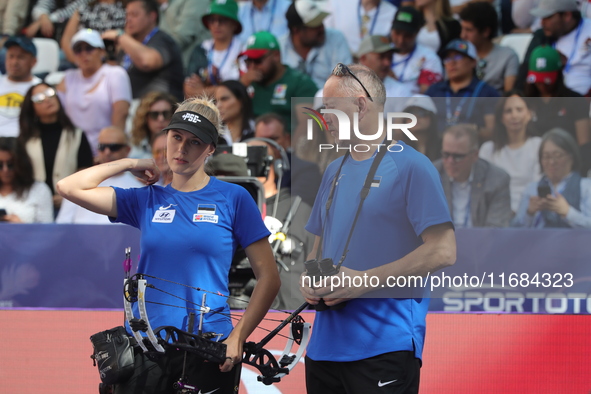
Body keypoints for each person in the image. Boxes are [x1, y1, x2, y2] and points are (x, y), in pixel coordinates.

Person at [56, 96, 280, 393]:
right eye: (176, 137)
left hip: (209, 348)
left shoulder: (234, 198)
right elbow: (68, 187)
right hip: (145, 347)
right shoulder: (147, 199)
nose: (182, 148)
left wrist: (237, 337)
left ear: (210, 148)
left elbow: (269, 277)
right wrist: (130, 162)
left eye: (195, 142)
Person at [301, 63, 455, 394]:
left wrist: (362, 281)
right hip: (323, 348)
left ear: (360, 104)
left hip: (384, 346)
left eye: (329, 107)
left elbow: (444, 250)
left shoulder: (411, 165)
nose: (322, 115)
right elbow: (316, 250)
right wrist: (310, 280)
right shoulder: (333, 169)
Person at [246, 137, 313, 310]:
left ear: (276, 166)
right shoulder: (227, 207)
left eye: (255, 157)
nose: (248, 165)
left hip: (289, 313)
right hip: (236, 308)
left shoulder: (300, 209)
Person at [18, 83, 94, 212]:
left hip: (70, 204)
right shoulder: (25, 139)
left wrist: (68, 196)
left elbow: (84, 172)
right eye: (39, 99)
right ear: (31, 108)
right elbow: (20, 174)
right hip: (32, 205)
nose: (47, 100)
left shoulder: (77, 134)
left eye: (50, 94)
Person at [57, 28, 132, 157]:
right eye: (78, 50)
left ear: (101, 52)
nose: (83, 54)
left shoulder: (115, 74)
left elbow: (121, 113)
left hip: (105, 150)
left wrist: (109, 149)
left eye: (89, 48)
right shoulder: (68, 78)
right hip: (74, 151)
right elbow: (58, 115)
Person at [238, 31, 318, 141]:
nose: (252, 67)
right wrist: (240, 87)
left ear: (276, 56)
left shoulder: (300, 83)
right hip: (252, 144)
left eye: (257, 60)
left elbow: (306, 127)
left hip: (288, 148)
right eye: (248, 61)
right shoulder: (248, 83)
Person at [56, 126, 143, 223]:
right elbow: (63, 224)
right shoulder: (79, 183)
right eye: (102, 147)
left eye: (114, 147)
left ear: (127, 150)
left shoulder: (139, 188)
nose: (107, 152)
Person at [101, 0, 184, 100]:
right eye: (127, 15)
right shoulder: (128, 45)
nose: (128, 19)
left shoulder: (163, 40)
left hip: (160, 111)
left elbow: (147, 62)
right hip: (131, 107)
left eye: (134, 15)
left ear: (152, 16)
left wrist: (120, 35)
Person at [434, 124, 512, 228]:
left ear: (475, 155)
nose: (450, 161)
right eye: (446, 154)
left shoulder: (497, 179)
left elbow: (496, 230)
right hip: (442, 242)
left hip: (481, 242)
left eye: (458, 156)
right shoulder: (431, 175)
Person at [513, 128, 591, 228]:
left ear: (571, 157)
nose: (551, 162)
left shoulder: (586, 187)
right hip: (538, 242)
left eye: (557, 156)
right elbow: (514, 230)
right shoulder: (531, 189)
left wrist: (568, 212)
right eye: (546, 157)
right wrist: (529, 213)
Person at [479, 93, 543, 213]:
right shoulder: (487, 149)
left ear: (529, 114)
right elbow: (483, 188)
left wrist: (522, 211)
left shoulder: (539, 145)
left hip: (530, 212)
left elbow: (538, 185)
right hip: (496, 212)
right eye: (508, 111)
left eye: (519, 110)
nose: (514, 115)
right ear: (501, 118)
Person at [426, 39, 499, 139]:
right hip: (435, 148)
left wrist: (473, 129)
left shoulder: (487, 92)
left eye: (458, 57)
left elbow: (493, 132)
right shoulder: (434, 91)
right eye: (447, 59)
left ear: (473, 62)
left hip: (473, 148)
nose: (452, 62)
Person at [516, 0, 591, 96]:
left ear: (567, 16)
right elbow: (525, 74)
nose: (542, 22)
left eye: (547, 17)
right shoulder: (541, 36)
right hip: (549, 100)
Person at [523, 45, 591, 145]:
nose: (542, 84)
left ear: (558, 74)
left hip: (567, 157)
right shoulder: (524, 101)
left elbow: (584, 144)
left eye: (547, 80)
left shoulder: (576, 100)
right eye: (538, 80)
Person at [279, 0, 352, 89]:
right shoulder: (280, 48)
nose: (321, 28)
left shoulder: (336, 38)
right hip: (292, 101)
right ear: (296, 30)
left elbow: (343, 81)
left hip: (327, 100)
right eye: (314, 25)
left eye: (321, 22)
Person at [459, 2, 519, 94]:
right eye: (462, 29)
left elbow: (509, 97)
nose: (463, 35)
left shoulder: (508, 56)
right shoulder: (458, 56)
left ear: (486, 31)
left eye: (469, 30)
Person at [390, 6, 443, 94]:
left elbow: (426, 98)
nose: (401, 40)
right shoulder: (379, 53)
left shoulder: (430, 59)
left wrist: (395, 84)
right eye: (397, 33)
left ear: (418, 31)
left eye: (408, 35)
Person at [0, 136, 53, 223]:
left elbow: (47, 232)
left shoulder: (39, 190)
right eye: (0, 165)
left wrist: (21, 227)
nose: (5, 170)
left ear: (21, 164)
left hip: (26, 236)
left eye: (10, 165)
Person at [60, 0, 126, 64]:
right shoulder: (83, 8)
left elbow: (131, 38)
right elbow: (66, 39)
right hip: (84, 59)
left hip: (118, 59)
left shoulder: (126, 8)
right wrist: (79, 62)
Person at [0, 36, 41, 137]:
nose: (14, 62)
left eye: (21, 57)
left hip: (24, 143)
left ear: (33, 62)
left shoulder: (40, 88)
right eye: (11, 56)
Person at [323, 0, 398, 55]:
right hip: (337, 63)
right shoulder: (336, 2)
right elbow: (325, 37)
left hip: (370, 70)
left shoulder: (393, 13)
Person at [158, 0, 210, 69]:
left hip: (193, 68)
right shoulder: (159, 5)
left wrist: (153, 53)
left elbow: (183, 36)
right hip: (172, 68)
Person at [129, 90, 177, 159]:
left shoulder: (180, 145)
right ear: (145, 117)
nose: (161, 119)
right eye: (154, 114)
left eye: (166, 114)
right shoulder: (134, 147)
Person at [397, 94, 441, 161]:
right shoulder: (396, 148)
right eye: (410, 113)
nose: (415, 116)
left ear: (432, 118)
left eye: (421, 112)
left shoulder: (444, 147)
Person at [215, 80, 255, 145]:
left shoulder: (257, 131)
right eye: (216, 101)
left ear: (241, 101)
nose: (218, 106)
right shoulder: (213, 135)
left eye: (224, 99)